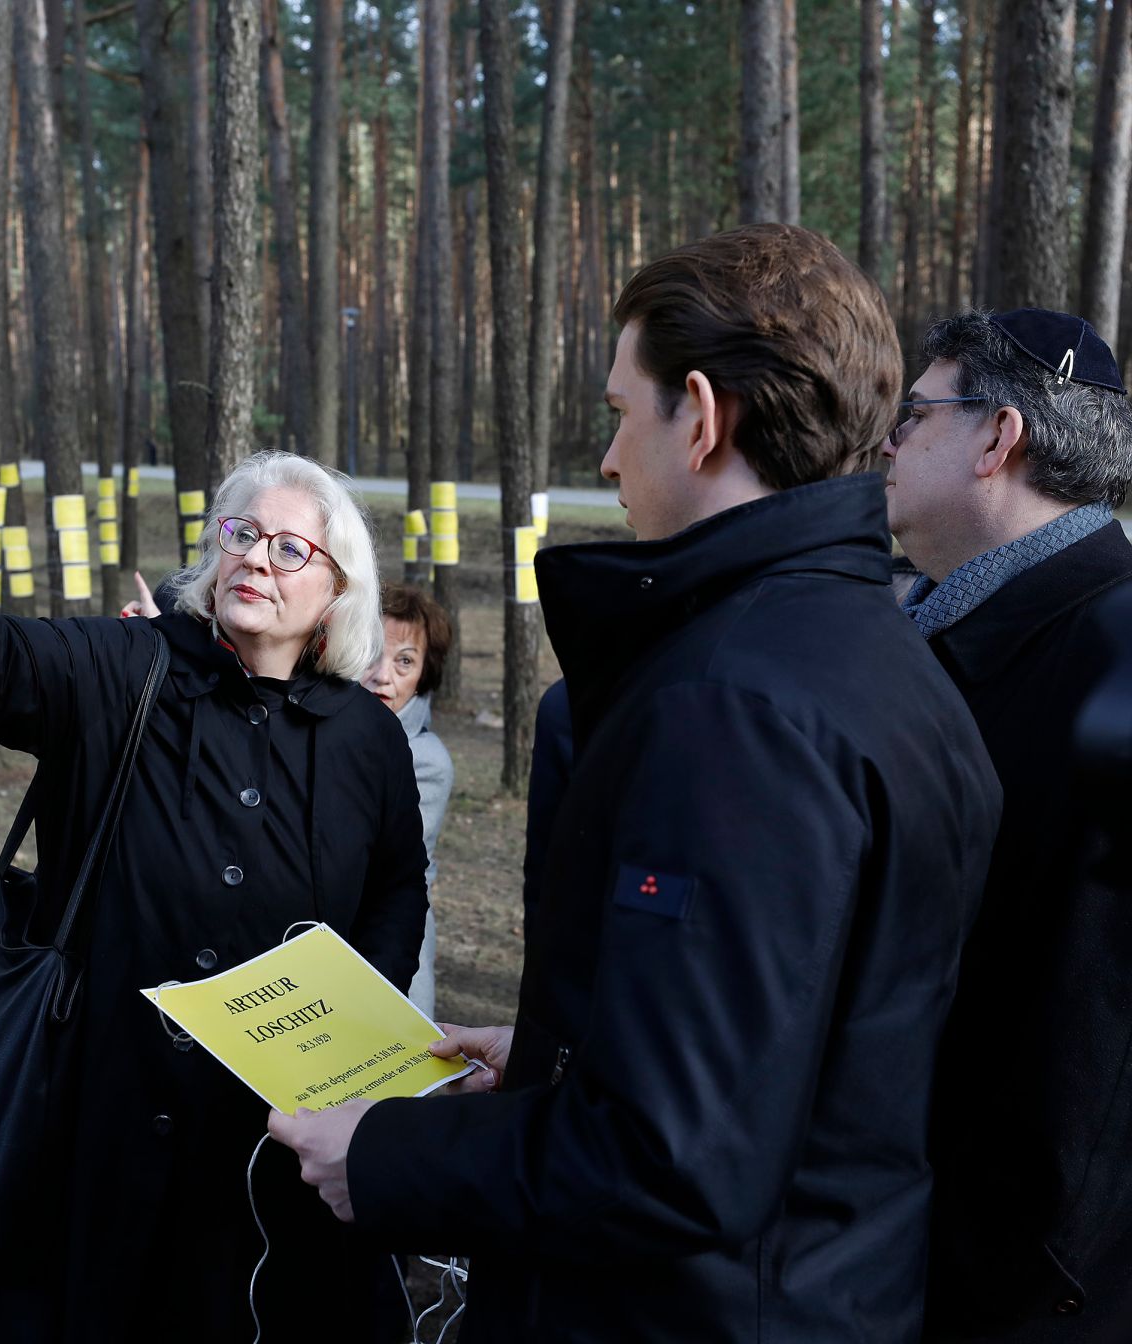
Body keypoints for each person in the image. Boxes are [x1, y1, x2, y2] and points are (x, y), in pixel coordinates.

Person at [268, 224, 1003, 1341]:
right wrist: (574, 1050)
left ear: (700, 418)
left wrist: (378, 1152)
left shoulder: (734, 706)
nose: (608, 460)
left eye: (619, 412)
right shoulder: (877, 657)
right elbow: (808, 1036)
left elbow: (673, 1158)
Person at [0, 429, 427, 1343]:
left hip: (278, 1144)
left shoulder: (364, 737)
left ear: (336, 591)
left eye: (291, 548)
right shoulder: (129, 670)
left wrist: (351, 1035)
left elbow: (398, 888)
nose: (257, 558)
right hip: (105, 1122)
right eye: (241, 533)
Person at [883, 308, 1132, 1341]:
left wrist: (1024, 1271)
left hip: (1021, 1282)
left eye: (913, 414)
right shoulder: (954, 631)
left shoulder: (1106, 659)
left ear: (995, 439)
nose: (887, 440)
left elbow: (1089, 1029)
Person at [360, 584, 454, 1019]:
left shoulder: (425, 761)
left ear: (423, 677)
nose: (383, 675)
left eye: (404, 662)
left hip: (384, 953)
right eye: (372, 650)